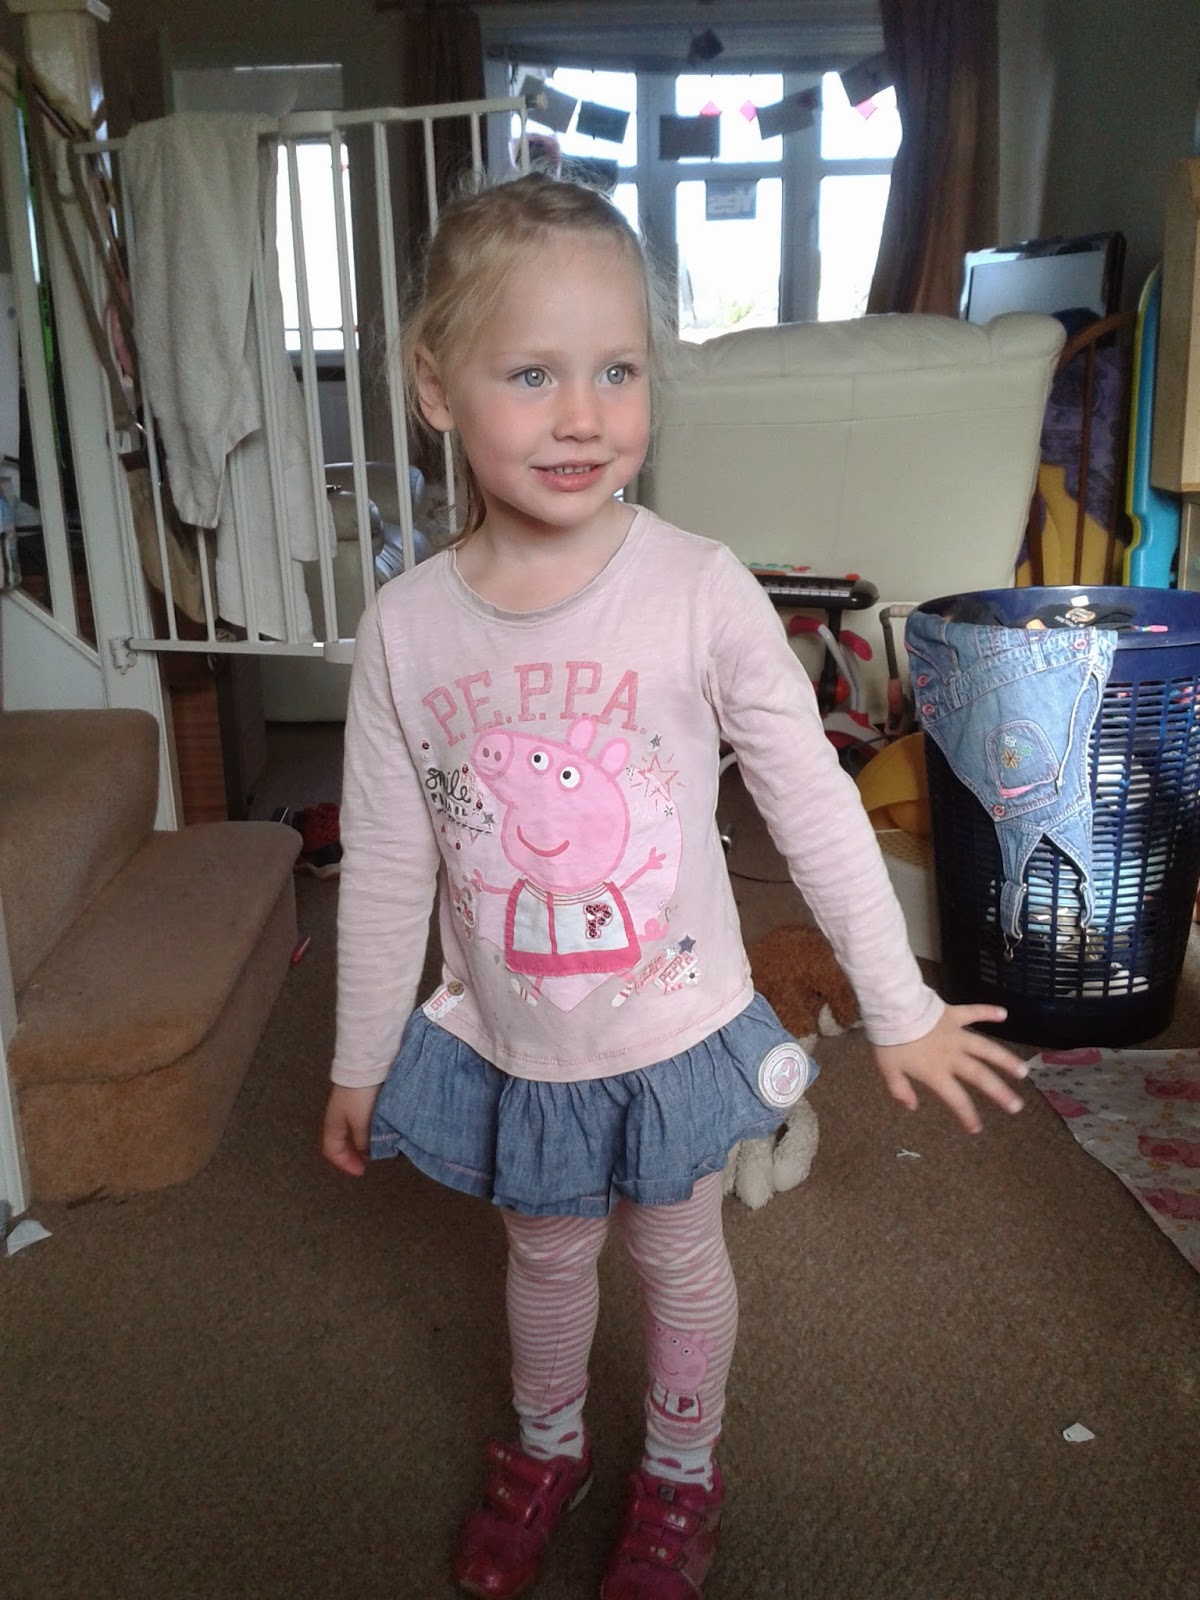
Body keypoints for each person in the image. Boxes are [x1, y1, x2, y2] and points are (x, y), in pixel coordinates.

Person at [321, 171, 1028, 1600]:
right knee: (545, 1258)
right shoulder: (404, 630)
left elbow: (813, 800)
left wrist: (895, 1005)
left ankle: (682, 1471)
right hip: (517, 1039)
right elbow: (388, 858)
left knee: (678, 1254)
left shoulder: (700, 589)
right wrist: (359, 1055)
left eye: (620, 370)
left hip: (674, 1028)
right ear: (436, 387)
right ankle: (549, 1445)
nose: (584, 414)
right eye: (533, 373)